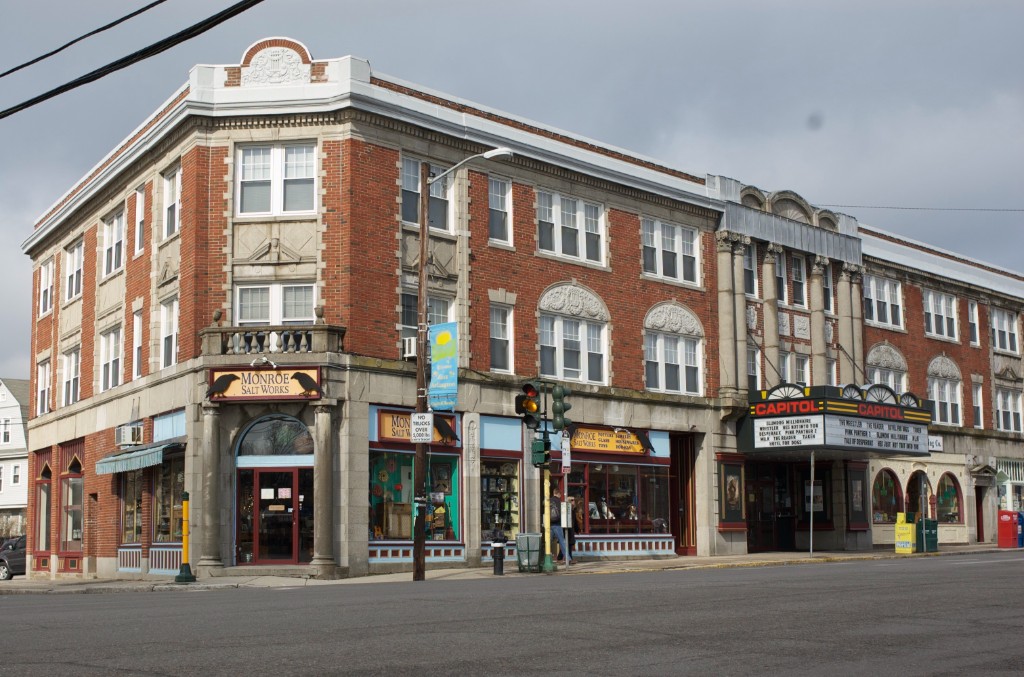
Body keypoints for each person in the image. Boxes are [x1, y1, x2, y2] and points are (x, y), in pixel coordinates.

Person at [549, 488, 574, 565]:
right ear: (559, 494)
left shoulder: (549, 501)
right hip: (557, 524)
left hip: (549, 524)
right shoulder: (559, 502)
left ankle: (542, 557)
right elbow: (563, 513)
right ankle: (568, 558)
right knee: (562, 542)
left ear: (553, 493)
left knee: (547, 542)